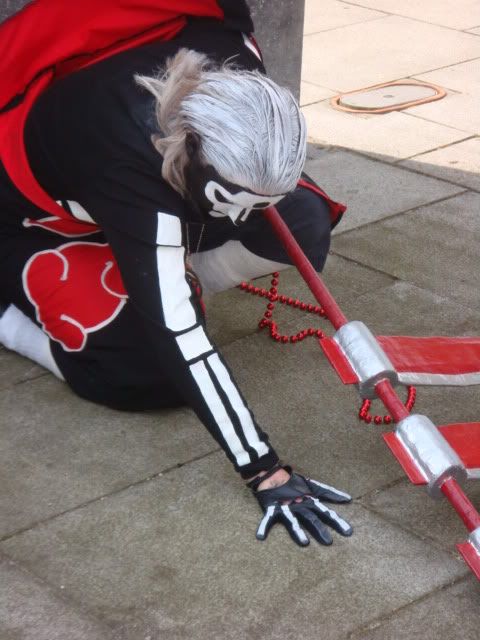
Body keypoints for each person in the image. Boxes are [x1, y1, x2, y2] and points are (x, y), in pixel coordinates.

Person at [0, 0, 353, 546]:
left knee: (302, 220)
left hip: (164, 191)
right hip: (39, 223)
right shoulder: (125, 152)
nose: (242, 222)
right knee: (144, 371)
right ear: (187, 151)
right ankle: (8, 318)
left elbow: (254, 201)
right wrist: (265, 470)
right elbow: (179, 334)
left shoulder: (241, 66)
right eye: (232, 203)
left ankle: (171, 272)